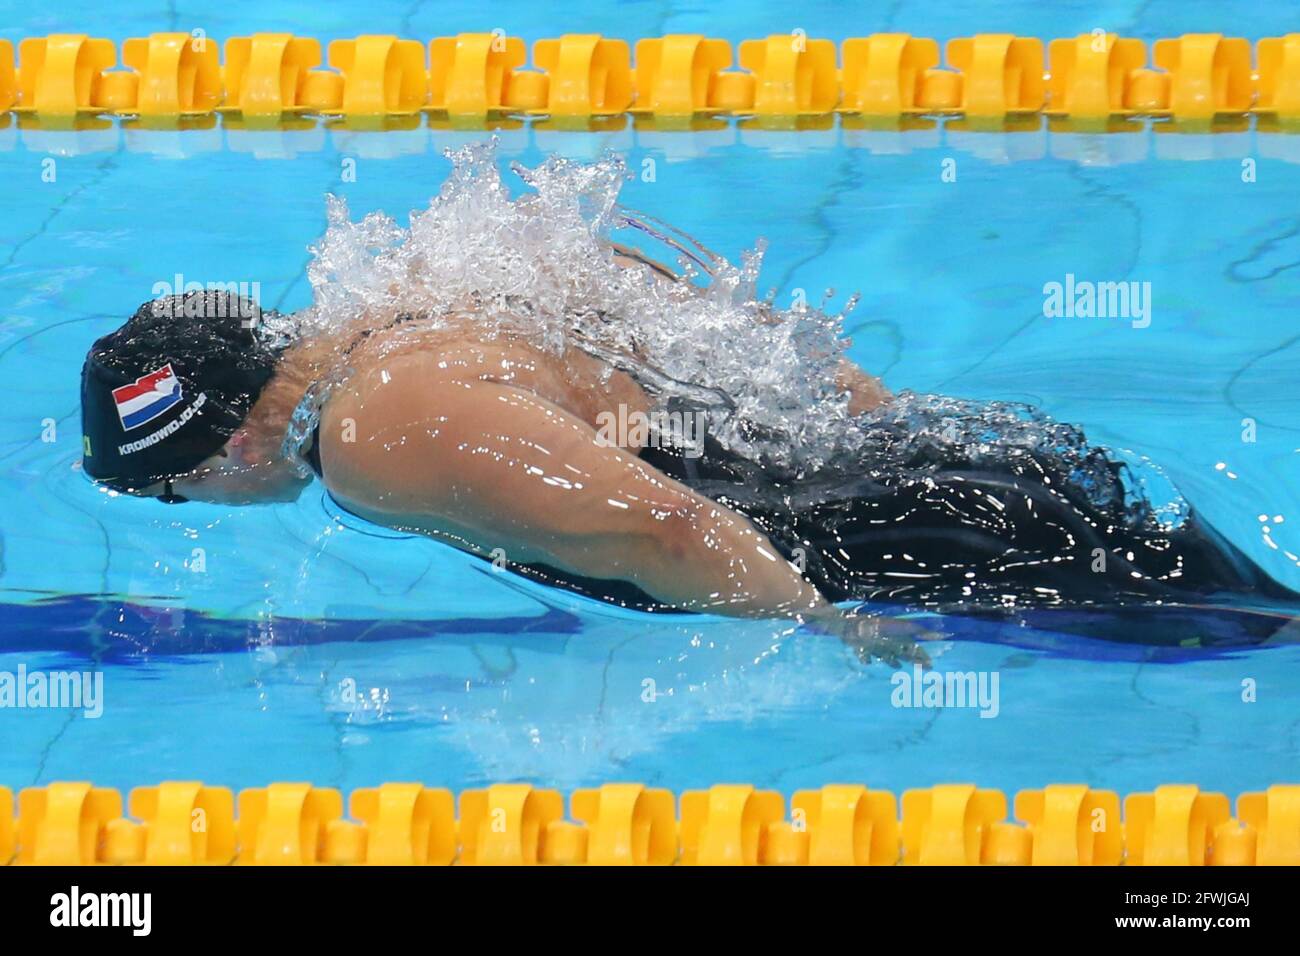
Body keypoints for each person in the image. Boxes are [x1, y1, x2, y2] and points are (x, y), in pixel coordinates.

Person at [80, 263, 1294, 664]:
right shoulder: (424, 295)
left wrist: (828, 629)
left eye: (177, 482)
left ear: (232, 442)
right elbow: (722, 316)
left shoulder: (374, 433)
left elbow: (660, 531)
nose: (200, 502)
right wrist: (883, 418)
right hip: (956, 468)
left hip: (931, 545)